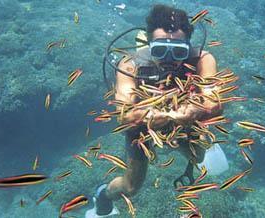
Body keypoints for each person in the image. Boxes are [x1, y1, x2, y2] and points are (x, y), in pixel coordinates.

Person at [86, 4, 227, 218]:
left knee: (198, 158)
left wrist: (193, 110)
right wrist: (152, 116)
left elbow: (214, 99)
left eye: (179, 52)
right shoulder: (130, 64)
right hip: (143, 126)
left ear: (188, 46)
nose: (169, 59)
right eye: (160, 50)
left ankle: (189, 148)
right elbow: (124, 112)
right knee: (131, 187)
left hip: (186, 118)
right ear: (149, 45)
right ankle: (103, 195)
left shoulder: (201, 59)